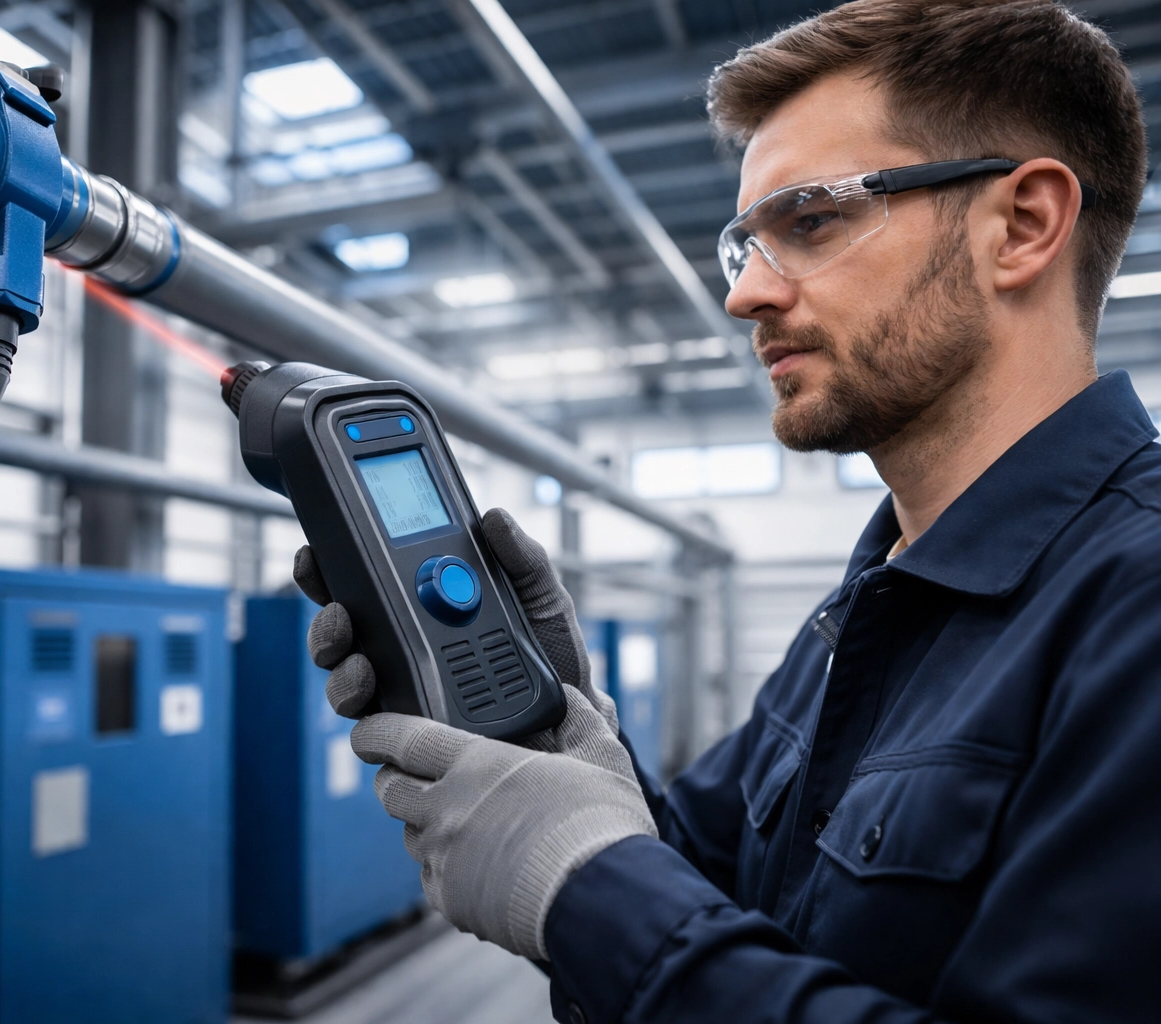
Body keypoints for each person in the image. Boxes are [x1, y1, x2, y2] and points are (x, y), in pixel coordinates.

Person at [293, 0, 1161, 1019]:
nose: (745, 294)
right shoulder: (867, 611)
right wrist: (564, 748)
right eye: (744, 243)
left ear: (1020, 226)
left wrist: (581, 885)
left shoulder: (1134, 611)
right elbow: (718, 889)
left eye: (812, 220)